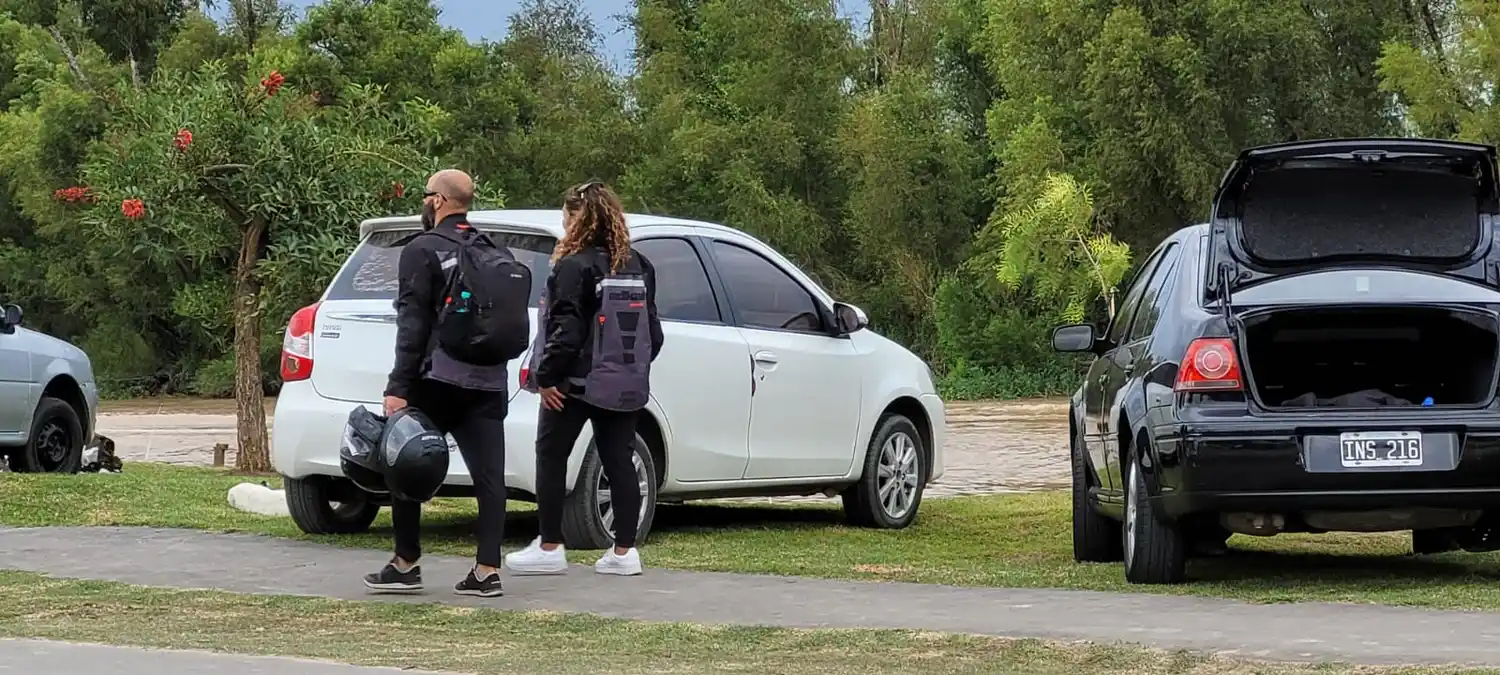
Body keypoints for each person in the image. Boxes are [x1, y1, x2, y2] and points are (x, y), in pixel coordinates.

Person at [504, 181, 664, 577]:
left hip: (573, 383)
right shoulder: (640, 266)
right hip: (624, 381)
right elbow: (654, 333)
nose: (563, 224)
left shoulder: (573, 267)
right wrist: (632, 367)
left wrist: (547, 377)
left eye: (566, 216)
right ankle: (624, 551)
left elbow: (567, 332)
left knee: (551, 455)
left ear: (579, 218)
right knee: (619, 459)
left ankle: (549, 545)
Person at [364, 169, 510, 598]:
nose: (424, 201)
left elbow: (412, 324)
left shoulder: (422, 249)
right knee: (490, 478)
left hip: (437, 380)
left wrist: (398, 387)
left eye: (426, 194)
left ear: (439, 201)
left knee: (405, 460)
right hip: (488, 380)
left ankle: (405, 563)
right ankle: (487, 570)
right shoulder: (494, 249)